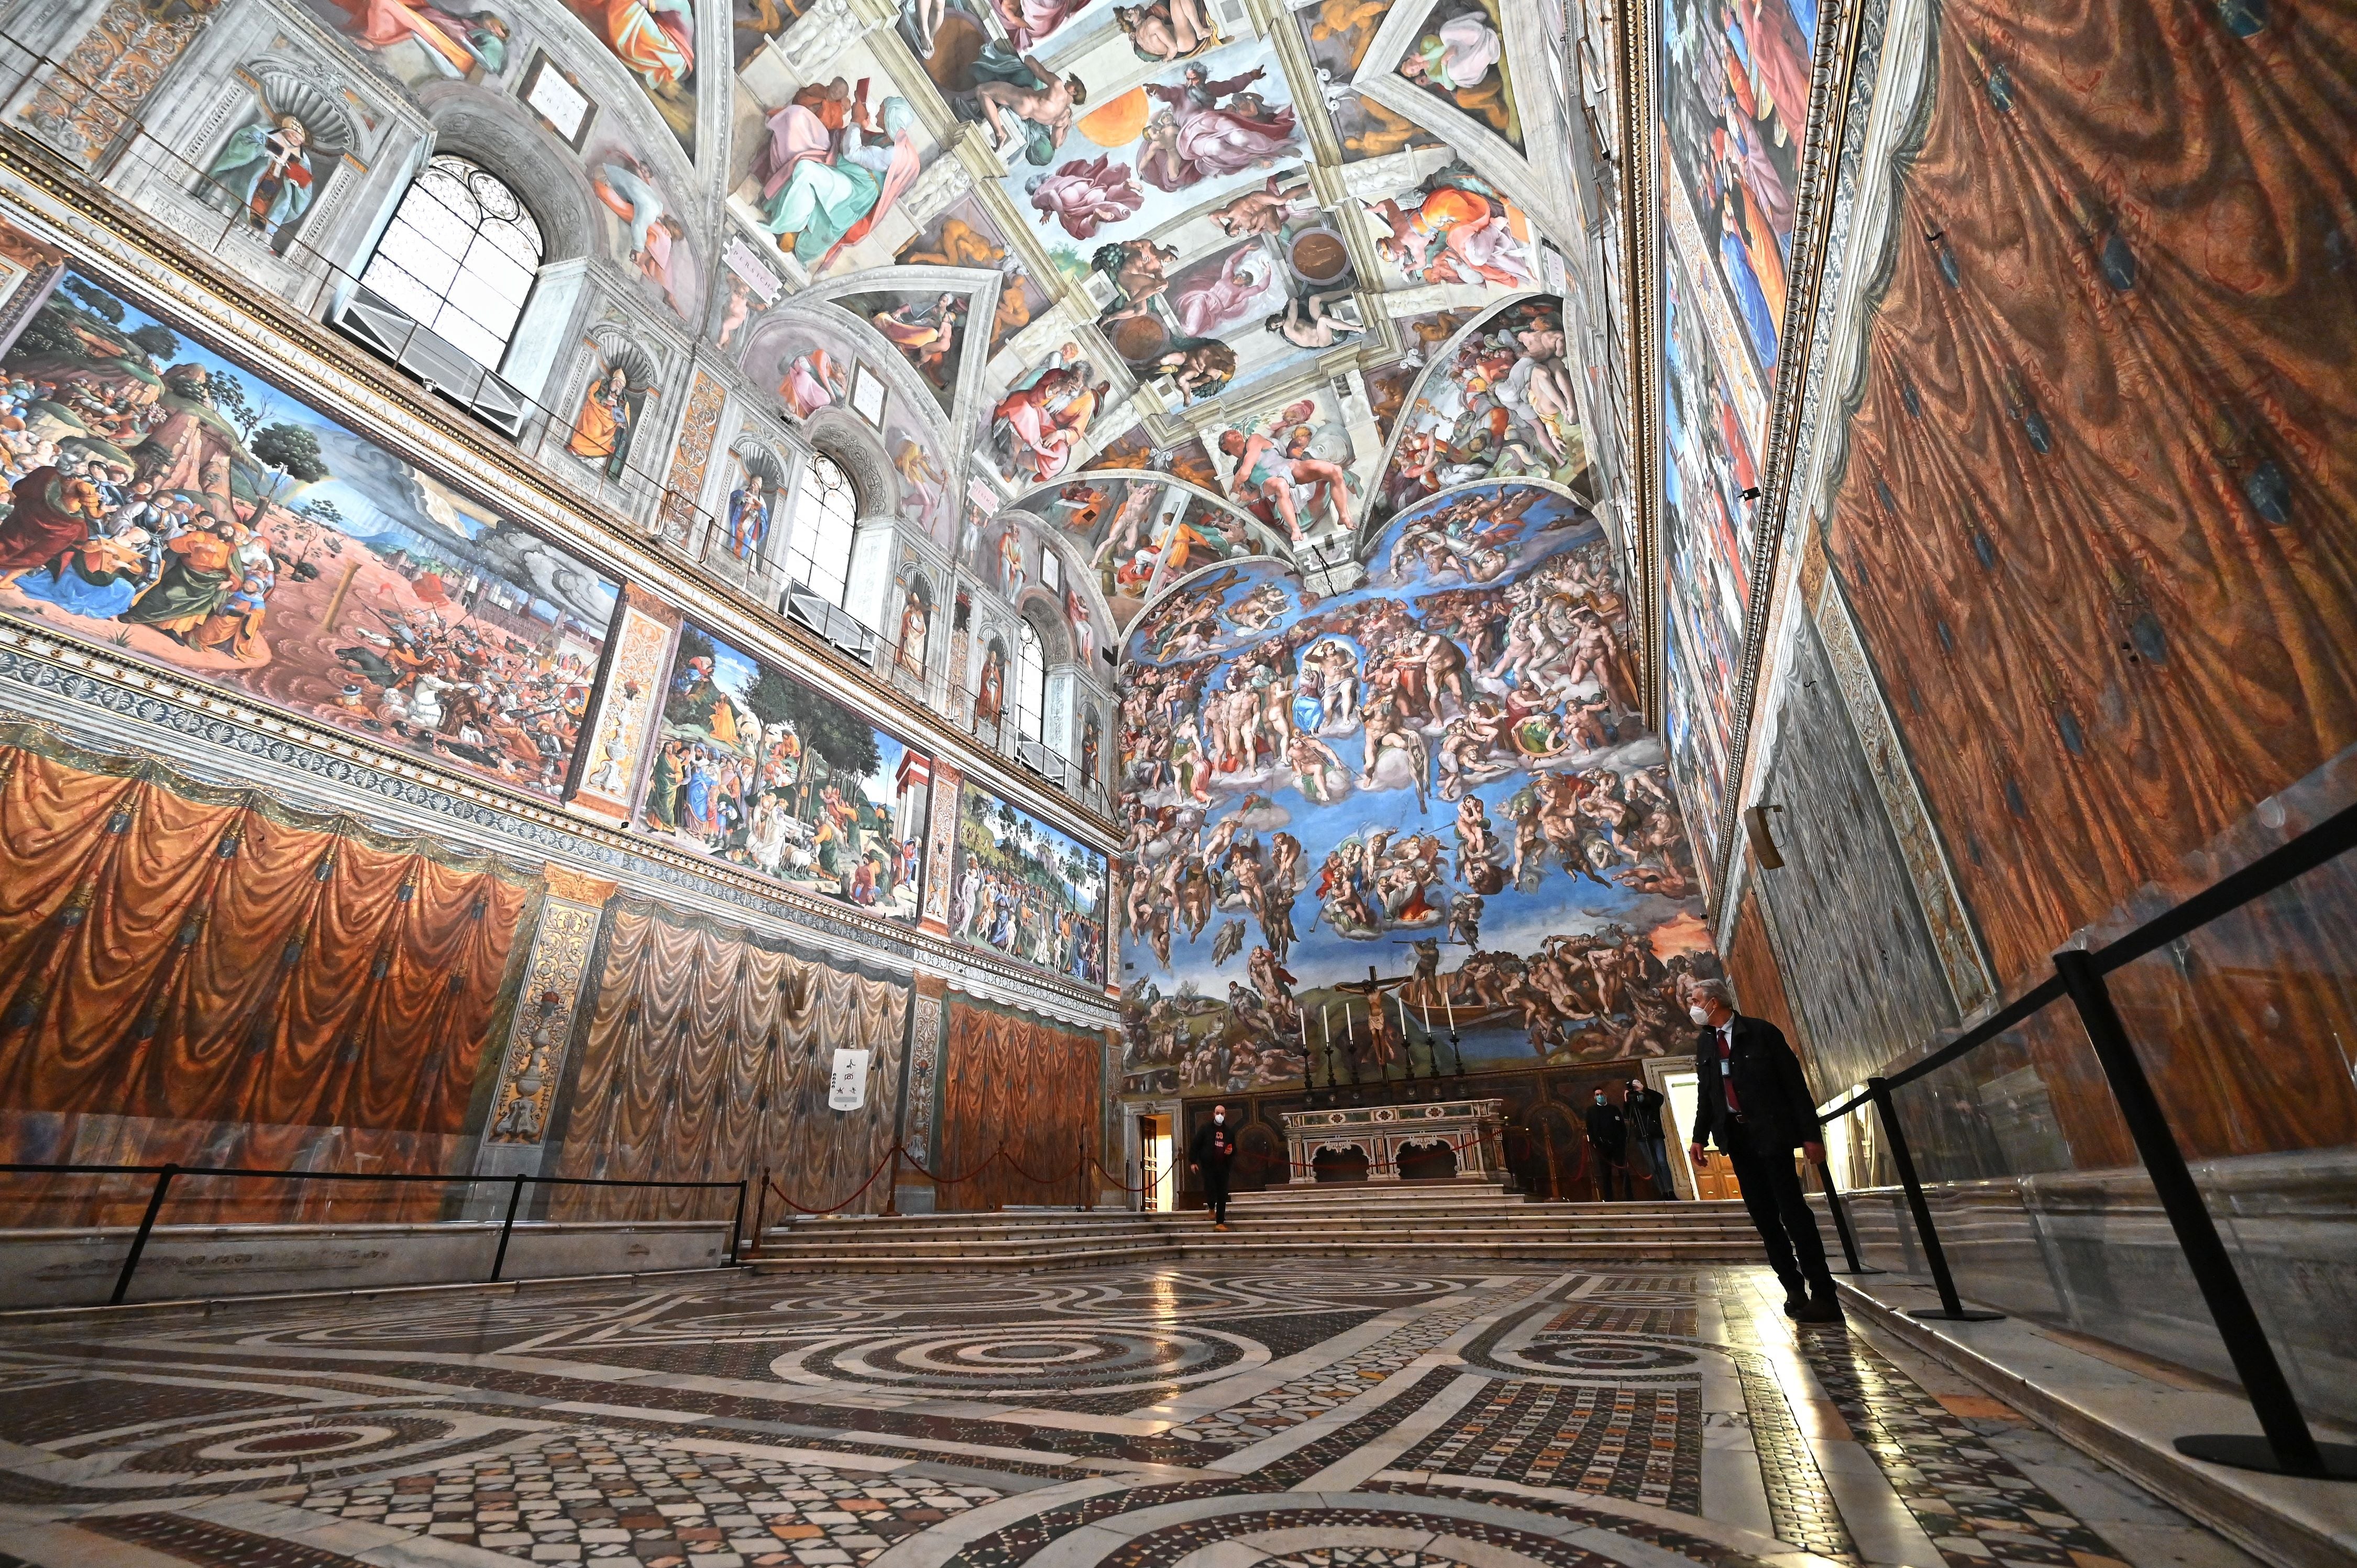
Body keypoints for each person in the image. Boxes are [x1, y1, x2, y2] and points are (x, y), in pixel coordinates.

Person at [1687, 979, 1842, 1323]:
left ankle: (1824, 1292)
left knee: (1793, 1212)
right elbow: (1707, 1095)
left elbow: (1794, 1085)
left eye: (1695, 999)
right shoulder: (1706, 1045)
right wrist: (1699, 1137)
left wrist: (1810, 1136)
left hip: (1771, 1134)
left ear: (1714, 1002)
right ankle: (1793, 1289)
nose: (1691, 1005)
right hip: (1737, 1139)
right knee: (1763, 1216)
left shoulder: (1761, 1033)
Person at [1623, 1077, 1677, 1198]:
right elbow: (1627, 1116)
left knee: (1662, 1162)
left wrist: (1645, 1090)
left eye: (1637, 1084)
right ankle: (1663, 1192)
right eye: (1633, 1085)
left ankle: (1670, 1191)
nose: (1635, 1087)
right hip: (1642, 1137)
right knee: (1653, 1165)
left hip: (1656, 1135)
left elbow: (1660, 1099)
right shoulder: (1633, 1103)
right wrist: (1626, 1100)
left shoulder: (1650, 1099)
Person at [1188, 1102, 1238, 1230]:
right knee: (1210, 1190)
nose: (1220, 1115)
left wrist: (1231, 1151)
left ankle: (1220, 1222)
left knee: (1222, 1194)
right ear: (1213, 1114)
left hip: (1223, 1167)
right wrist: (1193, 1162)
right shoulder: (1205, 1129)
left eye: (1222, 1113)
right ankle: (1211, 1207)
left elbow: (1235, 1148)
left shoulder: (1229, 1132)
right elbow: (1195, 1145)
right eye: (1218, 1113)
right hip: (1209, 1166)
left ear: (1225, 1115)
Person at [1585, 1087, 1627, 1200]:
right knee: (1606, 1174)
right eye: (1597, 1095)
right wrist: (1594, 1142)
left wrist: (1622, 1142)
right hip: (1602, 1147)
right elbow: (1589, 1128)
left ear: (1605, 1094)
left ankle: (1629, 1197)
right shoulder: (1591, 1111)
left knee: (1623, 1172)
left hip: (1618, 1146)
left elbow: (1622, 1127)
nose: (1600, 1096)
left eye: (1601, 1094)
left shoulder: (1614, 1109)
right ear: (1595, 1097)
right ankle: (1609, 1200)